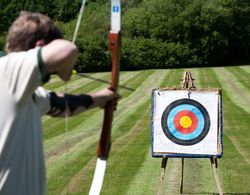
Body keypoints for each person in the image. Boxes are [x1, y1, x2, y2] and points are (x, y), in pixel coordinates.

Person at [0, 11, 118, 195]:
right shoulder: (8, 71)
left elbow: (60, 105)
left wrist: (102, 97)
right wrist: (64, 71)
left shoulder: (23, 91)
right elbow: (66, 50)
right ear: (40, 47)